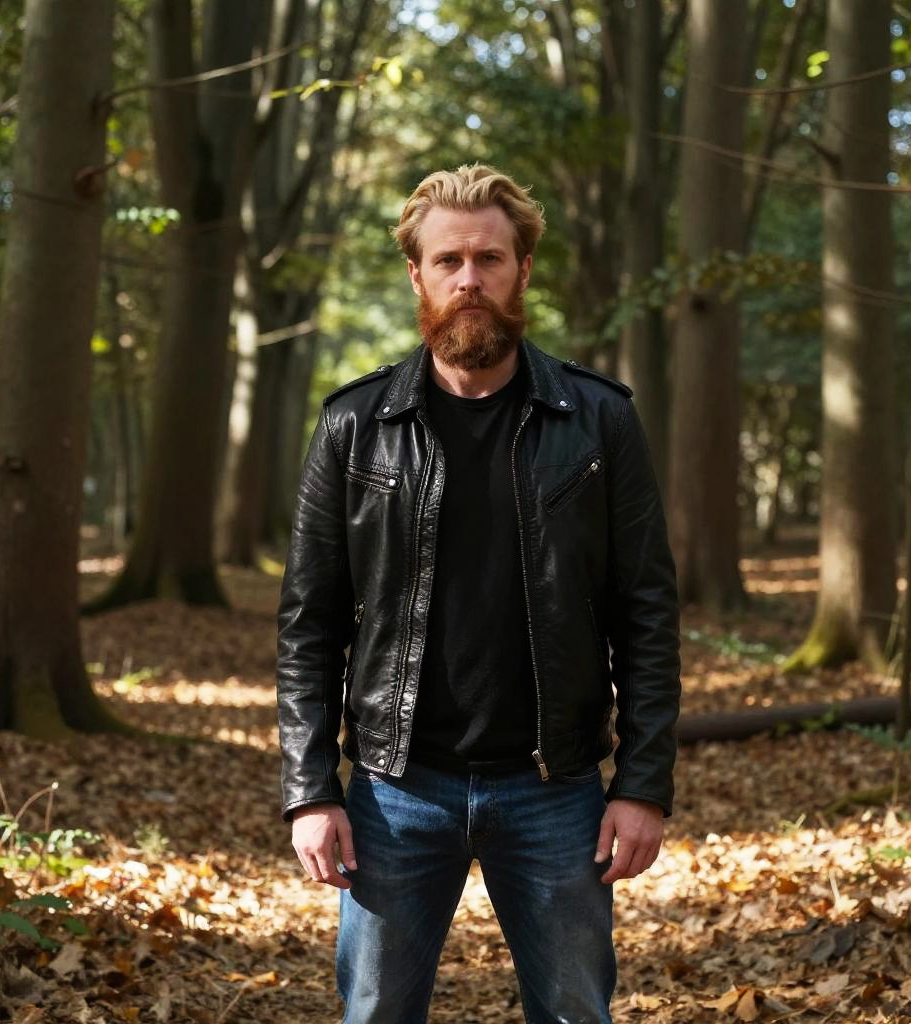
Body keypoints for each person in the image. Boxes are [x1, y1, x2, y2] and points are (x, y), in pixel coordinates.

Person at [276, 164, 681, 1024]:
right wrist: (311, 790)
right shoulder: (354, 425)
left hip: (556, 789)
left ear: (522, 271)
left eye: (490, 259)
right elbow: (309, 624)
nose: (470, 280)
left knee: (577, 1012)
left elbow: (646, 612)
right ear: (417, 275)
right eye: (449, 260)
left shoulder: (599, 420)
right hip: (393, 789)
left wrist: (642, 784)